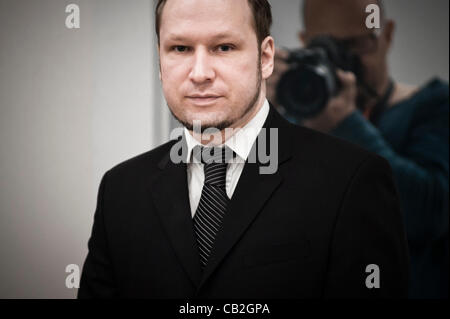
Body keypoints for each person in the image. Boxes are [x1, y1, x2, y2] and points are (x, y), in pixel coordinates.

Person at [78, 0, 409, 298]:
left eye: (224, 47)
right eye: (180, 48)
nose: (200, 73)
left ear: (265, 58)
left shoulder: (352, 180)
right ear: (160, 59)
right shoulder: (120, 190)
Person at [267, 0, 449, 298]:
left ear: (386, 35)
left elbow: (429, 213)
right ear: (305, 42)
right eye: (326, 46)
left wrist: (345, 124)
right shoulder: (295, 121)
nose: (343, 60)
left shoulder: (434, 106)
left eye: (357, 44)